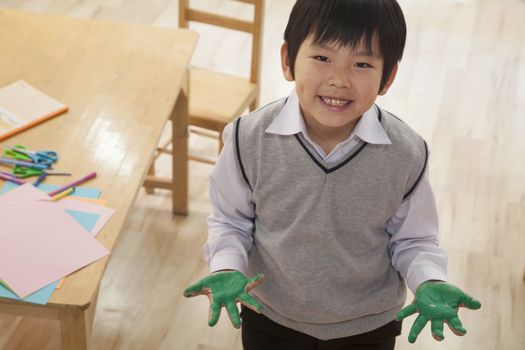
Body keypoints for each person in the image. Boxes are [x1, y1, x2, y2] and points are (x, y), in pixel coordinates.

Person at [184, 1, 481, 349]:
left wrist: (429, 280)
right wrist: (226, 268)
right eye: (322, 58)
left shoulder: (406, 153)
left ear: (388, 77)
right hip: (270, 316)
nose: (340, 80)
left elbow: (413, 240)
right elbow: (231, 222)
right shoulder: (245, 138)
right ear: (287, 59)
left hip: (368, 326)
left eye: (362, 64)